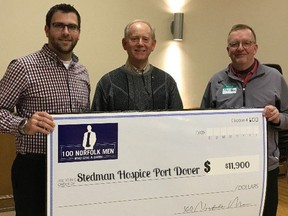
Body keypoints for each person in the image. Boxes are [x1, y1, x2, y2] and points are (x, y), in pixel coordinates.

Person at [0, 4, 90, 215]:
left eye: (72, 27)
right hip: (33, 168)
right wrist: (22, 125)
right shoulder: (23, 67)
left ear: (78, 32)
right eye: (59, 26)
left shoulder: (83, 72)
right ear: (47, 29)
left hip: (73, 167)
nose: (66, 32)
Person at [200, 24, 288, 216]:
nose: (240, 48)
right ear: (228, 50)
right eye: (234, 44)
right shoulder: (216, 81)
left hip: (265, 167)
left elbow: (287, 117)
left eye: (246, 43)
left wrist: (277, 118)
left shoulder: (275, 78)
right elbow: (203, 122)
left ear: (255, 47)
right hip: (225, 168)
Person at [91, 20, 183, 111]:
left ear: (153, 45)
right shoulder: (107, 83)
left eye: (145, 39)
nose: (140, 43)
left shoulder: (167, 82)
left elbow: (179, 122)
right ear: (124, 44)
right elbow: (97, 123)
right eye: (134, 39)